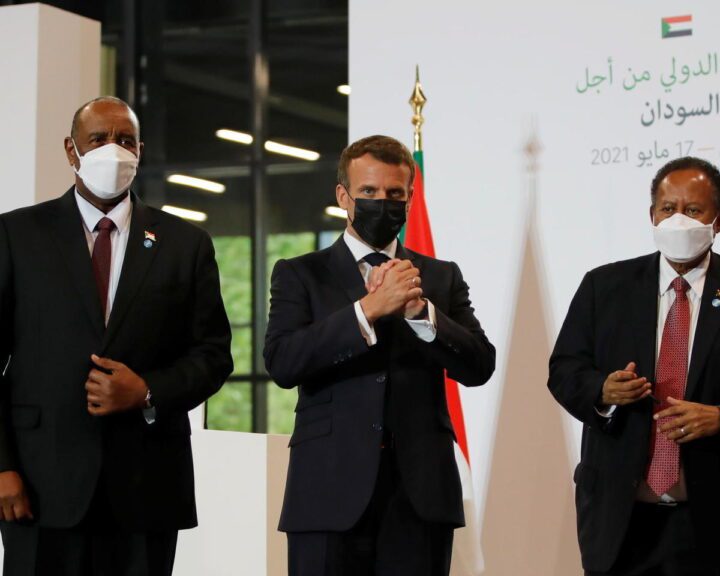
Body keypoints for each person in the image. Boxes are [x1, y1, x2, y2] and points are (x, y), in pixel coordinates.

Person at [0, 96, 233, 575]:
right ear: (72, 150)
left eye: (126, 140)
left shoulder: (185, 244)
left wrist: (147, 391)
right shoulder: (16, 234)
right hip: (38, 485)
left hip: (146, 488)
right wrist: (1, 466)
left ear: (140, 151)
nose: (114, 150)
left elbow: (213, 356)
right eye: (98, 139)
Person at [264, 135, 495, 576]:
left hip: (420, 495)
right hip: (328, 490)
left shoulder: (440, 277)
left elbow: (480, 364)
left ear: (410, 198)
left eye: (394, 193)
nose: (382, 202)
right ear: (343, 196)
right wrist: (367, 310)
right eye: (368, 191)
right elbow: (283, 361)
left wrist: (422, 313)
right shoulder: (300, 273)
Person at [548, 156, 720, 575]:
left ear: (719, 221)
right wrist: (602, 391)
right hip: (621, 524)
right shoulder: (604, 287)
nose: (678, 220)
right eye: (668, 208)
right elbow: (564, 369)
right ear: (652, 215)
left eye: (693, 210)